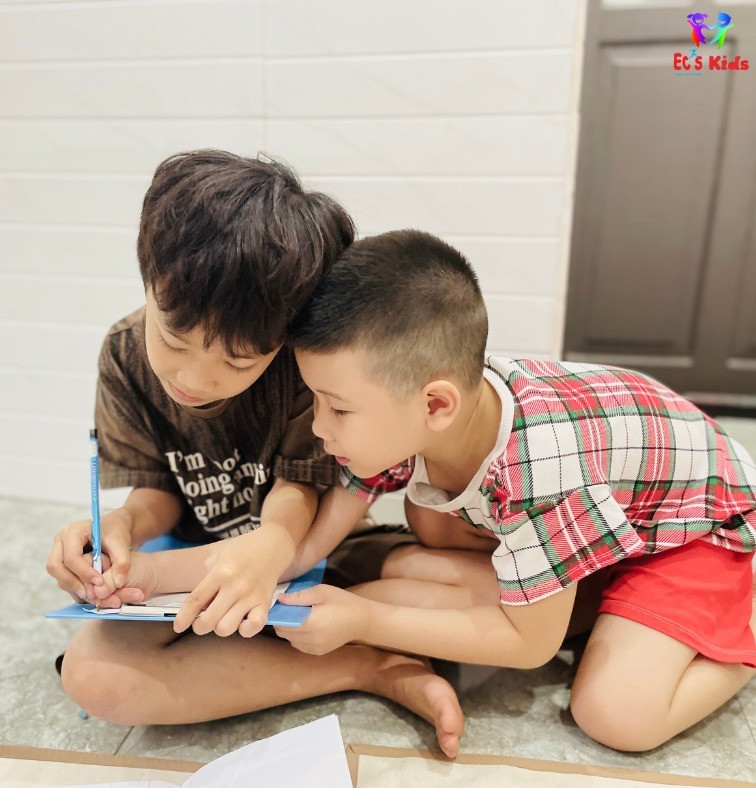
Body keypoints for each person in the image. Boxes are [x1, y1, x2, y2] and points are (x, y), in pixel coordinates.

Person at [45, 153, 463, 757]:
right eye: (173, 339)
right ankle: (366, 667)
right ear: (148, 281)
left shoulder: (304, 364)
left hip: (315, 552)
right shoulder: (124, 354)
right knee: (94, 676)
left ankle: (323, 646)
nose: (195, 378)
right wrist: (122, 525)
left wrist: (274, 543)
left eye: (238, 362)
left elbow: (301, 486)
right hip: (191, 570)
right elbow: (158, 491)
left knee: (449, 586)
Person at [279, 228, 756, 752]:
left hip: (696, 529)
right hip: (617, 510)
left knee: (614, 714)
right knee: (425, 523)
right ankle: (591, 599)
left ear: (436, 406)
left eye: (338, 408)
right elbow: (341, 510)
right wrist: (280, 561)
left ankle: (742, 635)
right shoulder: (444, 402)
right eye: (317, 400)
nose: (319, 426)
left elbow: (529, 646)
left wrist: (365, 619)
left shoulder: (539, 472)